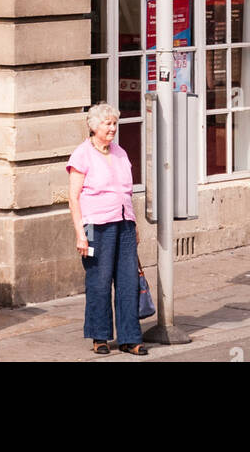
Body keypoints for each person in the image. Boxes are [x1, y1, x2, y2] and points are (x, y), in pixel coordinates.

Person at [66, 102, 146, 356]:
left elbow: (126, 193)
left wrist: (133, 225)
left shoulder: (120, 153)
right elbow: (73, 197)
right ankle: (99, 336)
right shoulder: (82, 155)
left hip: (123, 224)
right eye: (107, 124)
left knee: (128, 281)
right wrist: (80, 233)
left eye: (114, 123)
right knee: (99, 282)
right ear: (94, 126)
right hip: (95, 227)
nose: (112, 128)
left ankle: (130, 337)